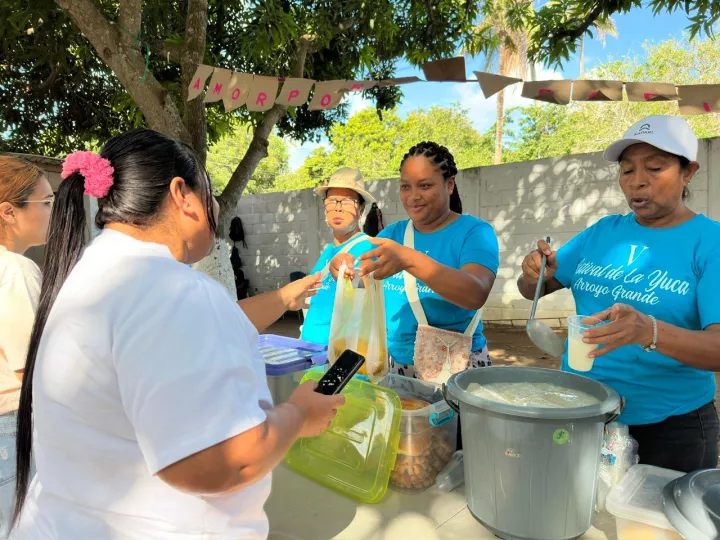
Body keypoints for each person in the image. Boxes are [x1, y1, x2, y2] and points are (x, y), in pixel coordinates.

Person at [10, 130, 344, 539]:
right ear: (182, 195)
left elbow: (205, 331)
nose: (215, 206)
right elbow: (226, 461)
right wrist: (299, 415)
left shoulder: (93, 273)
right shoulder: (173, 290)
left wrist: (285, 296)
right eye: (209, 192)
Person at [517, 115, 720, 473]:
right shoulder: (602, 232)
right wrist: (534, 272)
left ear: (688, 172)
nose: (637, 180)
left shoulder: (710, 242)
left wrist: (649, 331)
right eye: (627, 170)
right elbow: (533, 287)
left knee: (656, 511)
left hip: (670, 428)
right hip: (583, 411)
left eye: (655, 168)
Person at [331, 142, 500, 378]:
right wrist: (343, 270)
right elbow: (363, 281)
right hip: (396, 366)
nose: (413, 196)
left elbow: (475, 293)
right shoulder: (392, 234)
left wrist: (408, 259)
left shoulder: (475, 232)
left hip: (457, 368)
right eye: (405, 187)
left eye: (425, 185)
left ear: (449, 184)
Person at [0, 156, 53, 539]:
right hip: (12, 427)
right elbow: (33, 369)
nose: (53, 212)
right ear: (9, 212)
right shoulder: (15, 271)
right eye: (46, 203)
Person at [300, 168, 379, 346]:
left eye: (347, 201)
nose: (337, 207)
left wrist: (351, 277)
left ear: (361, 208)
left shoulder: (369, 247)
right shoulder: (328, 251)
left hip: (341, 355)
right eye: (331, 201)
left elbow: (365, 292)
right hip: (311, 352)